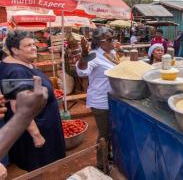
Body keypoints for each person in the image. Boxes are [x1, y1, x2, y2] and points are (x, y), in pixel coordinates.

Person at [0, 31, 65, 171]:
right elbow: (18, 107)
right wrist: (36, 135)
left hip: (43, 122)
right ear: (15, 50)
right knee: (38, 166)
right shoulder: (16, 72)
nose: (34, 47)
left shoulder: (23, 63)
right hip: (35, 128)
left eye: (34, 44)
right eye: (28, 45)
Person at [76, 27, 117, 171]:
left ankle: (109, 156)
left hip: (112, 99)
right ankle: (101, 165)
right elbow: (81, 72)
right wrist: (84, 56)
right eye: (110, 39)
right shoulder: (93, 55)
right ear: (100, 42)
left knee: (112, 131)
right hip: (100, 102)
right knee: (104, 134)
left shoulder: (111, 53)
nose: (114, 41)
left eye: (113, 37)